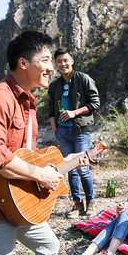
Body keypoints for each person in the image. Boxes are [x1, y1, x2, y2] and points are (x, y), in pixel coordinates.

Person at [0, 31, 90, 255]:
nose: (51, 67)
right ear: (23, 63)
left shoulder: (27, 102)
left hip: (19, 203)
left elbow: (25, 155)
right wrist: (41, 175)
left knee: (49, 247)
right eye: (45, 60)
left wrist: (67, 161)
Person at [48, 47, 100, 218]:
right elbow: (51, 110)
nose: (63, 64)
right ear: (56, 64)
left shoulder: (83, 79)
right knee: (69, 169)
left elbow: (95, 103)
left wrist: (74, 113)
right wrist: (56, 129)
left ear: (72, 61)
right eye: (59, 61)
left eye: (65, 60)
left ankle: (90, 203)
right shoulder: (55, 85)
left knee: (82, 168)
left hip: (81, 131)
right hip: (63, 132)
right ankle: (77, 204)